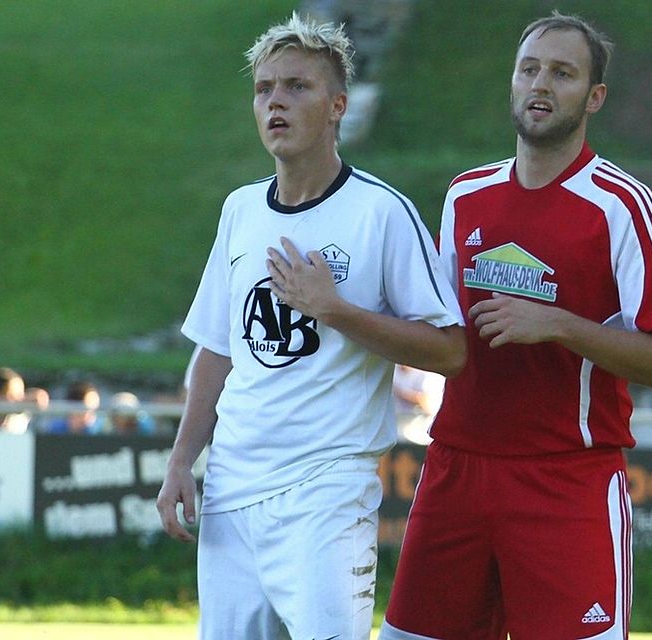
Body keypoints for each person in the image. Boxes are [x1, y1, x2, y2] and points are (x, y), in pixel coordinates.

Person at [155, 12, 465, 640]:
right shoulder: (240, 210)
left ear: (337, 106)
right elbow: (217, 350)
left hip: (325, 493)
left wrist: (337, 310)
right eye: (264, 88)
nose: (275, 101)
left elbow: (451, 352)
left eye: (296, 86)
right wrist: (183, 458)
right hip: (232, 493)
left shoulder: (381, 212)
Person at [380, 12, 652, 640]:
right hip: (456, 471)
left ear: (594, 97)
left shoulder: (624, 207)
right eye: (529, 69)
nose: (541, 85)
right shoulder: (466, 195)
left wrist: (559, 324)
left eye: (562, 73)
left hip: (565, 482)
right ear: (512, 82)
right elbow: (444, 340)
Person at [391, 364, 444, 445]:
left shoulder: (425, 373)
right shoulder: (393, 370)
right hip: (396, 424)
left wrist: (401, 393)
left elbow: (425, 402)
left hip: (418, 427)